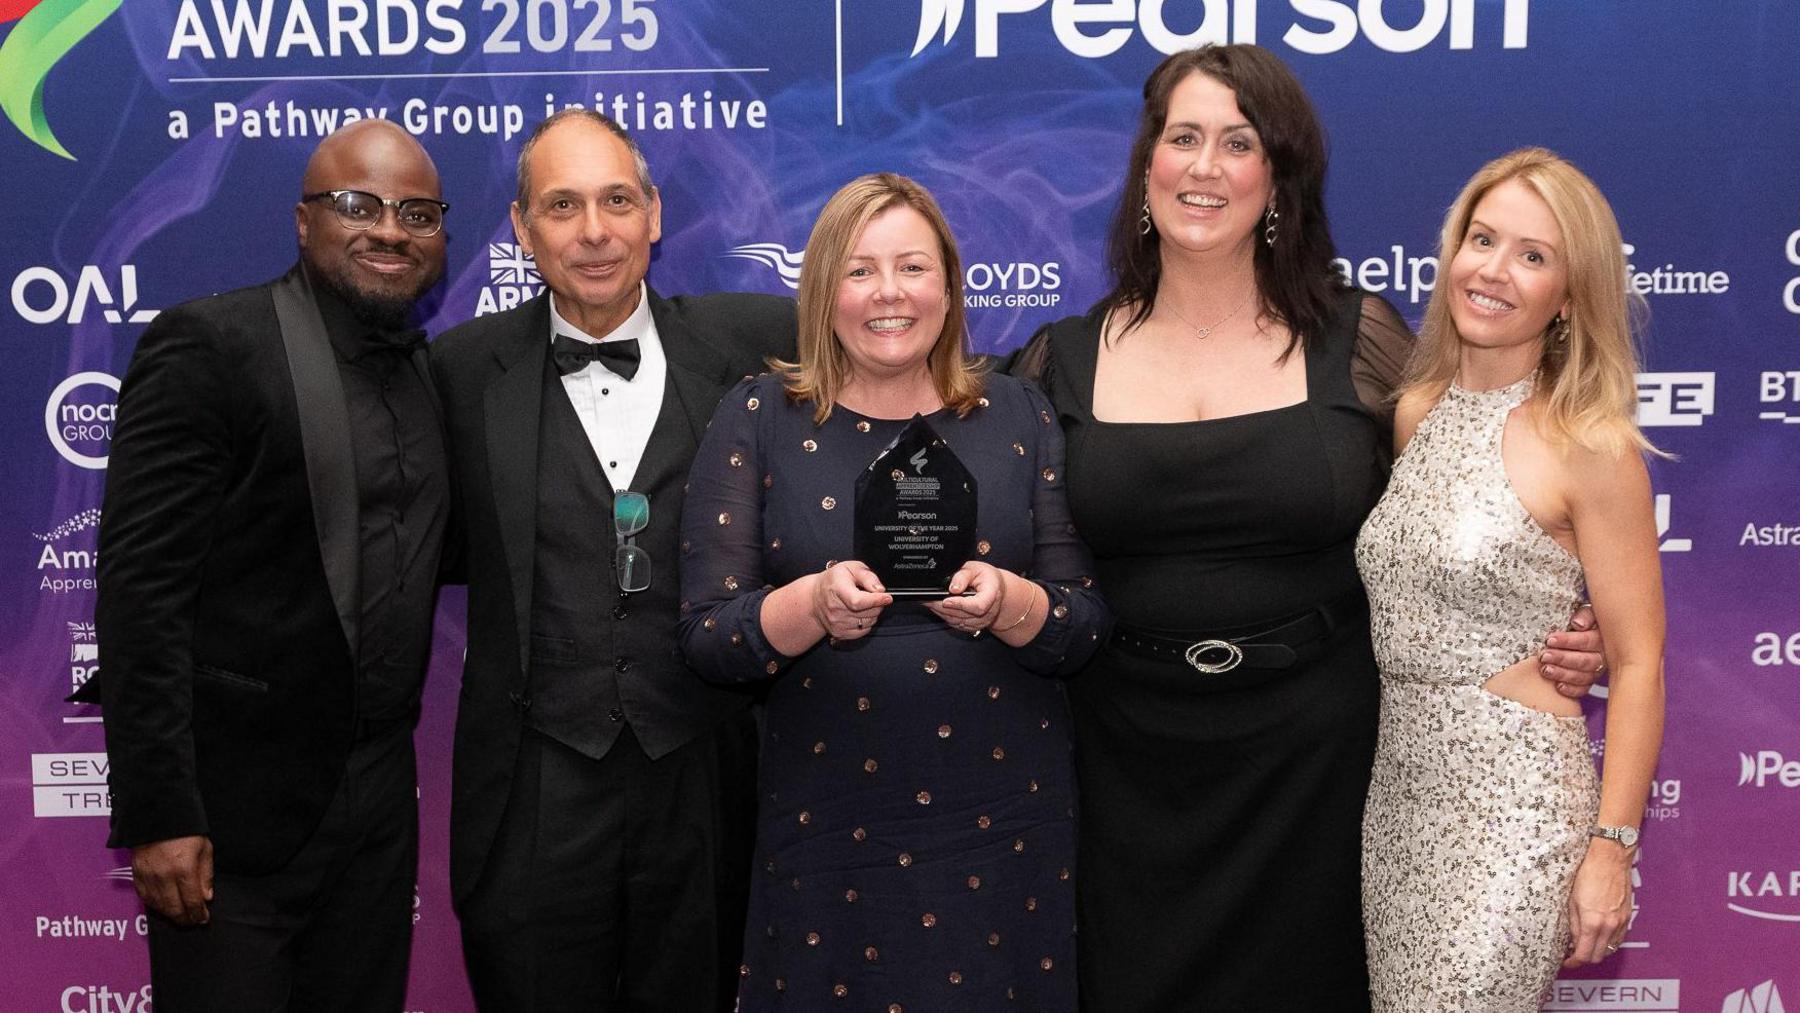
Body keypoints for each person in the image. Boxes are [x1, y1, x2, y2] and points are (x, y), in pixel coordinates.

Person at [1007, 45, 1608, 1009]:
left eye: (1238, 143)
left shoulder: (1360, 340)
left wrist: (1559, 630)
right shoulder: (1054, 361)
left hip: (1323, 770)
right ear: (1146, 167)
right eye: (1183, 137)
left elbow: (1472, 508)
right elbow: (977, 534)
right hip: (1119, 767)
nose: (1205, 166)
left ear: (1277, 180)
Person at [677, 172, 1111, 1012]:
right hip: (828, 828)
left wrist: (1011, 603)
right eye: (859, 270)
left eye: (912, 267)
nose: (889, 293)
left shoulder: (1020, 412)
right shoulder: (760, 415)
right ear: (821, 289)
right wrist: (811, 606)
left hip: (1004, 825)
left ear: (949, 287)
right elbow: (705, 638)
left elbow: (1083, 623)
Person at [429, 109, 795, 1010]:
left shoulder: (754, 346)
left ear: (655, 215)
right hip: (532, 785)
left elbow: (905, 351)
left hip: (706, 771)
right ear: (522, 228)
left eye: (616, 200)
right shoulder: (459, 370)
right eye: (562, 205)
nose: (594, 231)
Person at [82, 119, 451, 1010]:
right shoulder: (210, 345)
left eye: (418, 213)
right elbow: (141, 593)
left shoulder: (428, 373)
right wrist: (162, 811)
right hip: (231, 817)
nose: (390, 230)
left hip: (374, 812)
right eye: (358, 205)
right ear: (302, 220)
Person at [1358, 147, 1665, 1009]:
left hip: (1516, 812)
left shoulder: (1591, 445)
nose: (1494, 270)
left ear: (1569, 295)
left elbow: (1639, 663)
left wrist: (1611, 849)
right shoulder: (1417, 413)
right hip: (1399, 804)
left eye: (1533, 255)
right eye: (1482, 239)